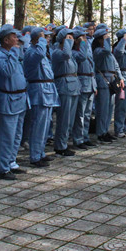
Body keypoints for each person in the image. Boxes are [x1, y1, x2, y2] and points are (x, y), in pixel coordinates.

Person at [0, 25, 29, 180]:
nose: (17, 39)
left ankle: (11, 162)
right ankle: (3, 168)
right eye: (14, 37)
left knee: (17, 134)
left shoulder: (13, 53)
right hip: (8, 99)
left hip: (20, 98)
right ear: (6, 40)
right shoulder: (0, 56)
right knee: (7, 136)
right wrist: (13, 52)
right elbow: (7, 72)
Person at [23, 27, 59, 166]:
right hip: (38, 90)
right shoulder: (32, 51)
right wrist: (41, 41)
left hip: (47, 90)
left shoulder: (42, 52)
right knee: (38, 125)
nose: (48, 39)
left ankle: (41, 152)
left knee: (45, 125)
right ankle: (35, 156)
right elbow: (38, 55)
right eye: (45, 37)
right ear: (37, 39)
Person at [51, 27, 80, 156]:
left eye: (72, 37)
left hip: (73, 87)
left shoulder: (71, 53)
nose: (72, 40)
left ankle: (64, 143)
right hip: (64, 87)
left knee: (70, 119)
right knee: (64, 119)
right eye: (68, 37)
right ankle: (60, 146)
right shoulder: (57, 52)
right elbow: (66, 55)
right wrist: (67, 42)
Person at [93, 28, 123, 143]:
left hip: (111, 80)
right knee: (103, 109)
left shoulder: (108, 52)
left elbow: (116, 65)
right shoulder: (98, 51)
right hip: (103, 80)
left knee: (110, 108)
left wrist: (120, 77)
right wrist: (107, 41)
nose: (108, 39)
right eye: (105, 37)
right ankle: (101, 132)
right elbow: (106, 50)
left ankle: (105, 131)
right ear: (100, 40)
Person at [71, 27, 96, 150]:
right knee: (80, 114)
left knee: (87, 114)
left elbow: (92, 67)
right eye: (82, 37)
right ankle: (78, 138)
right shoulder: (74, 52)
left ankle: (85, 137)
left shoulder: (86, 48)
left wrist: (94, 85)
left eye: (85, 37)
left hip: (90, 82)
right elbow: (82, 56)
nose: (85, 39)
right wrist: (82, 43)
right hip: (82, 83)